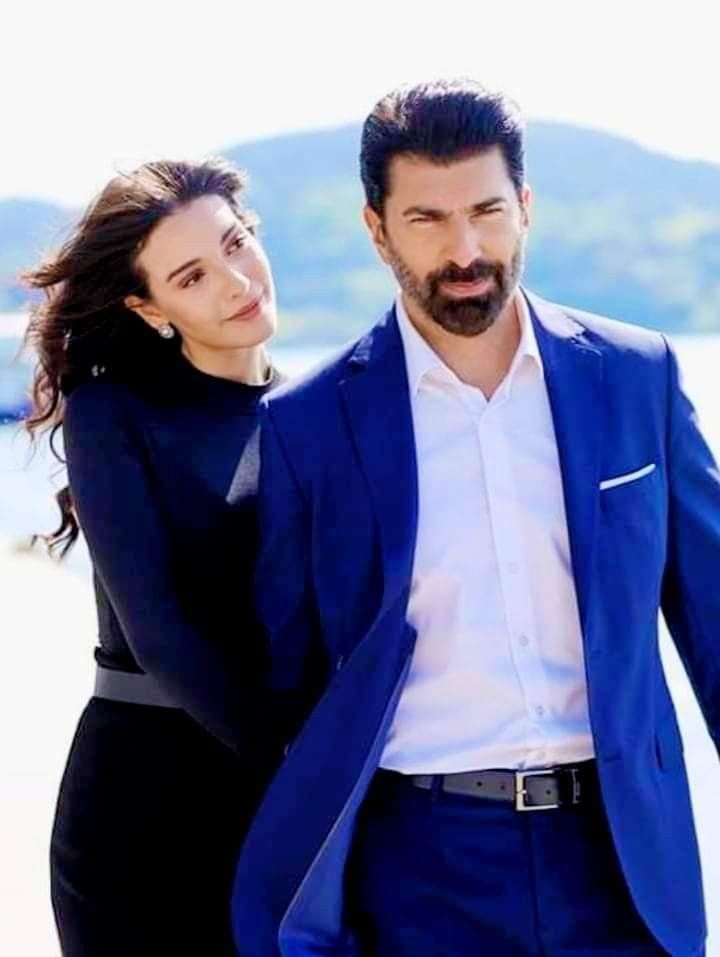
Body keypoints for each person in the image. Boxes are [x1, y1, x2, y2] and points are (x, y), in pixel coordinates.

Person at [231, 80, 720, 956]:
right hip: (417, 867)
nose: (465, 250)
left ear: (525, 206)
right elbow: (291, 682)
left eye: (487, 212)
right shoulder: (306, 427)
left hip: (623, 858)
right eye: (427, 219)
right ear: (376, 229)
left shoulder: (634, 376)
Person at [24, 157, 281, 956]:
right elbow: (160, 634)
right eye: (192, 276)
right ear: (148, 306)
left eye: (236, 243)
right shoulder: (114, 412)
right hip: (142, 808)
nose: (236, 282)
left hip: (275, 806)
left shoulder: (315, 412)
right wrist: (301, 768)